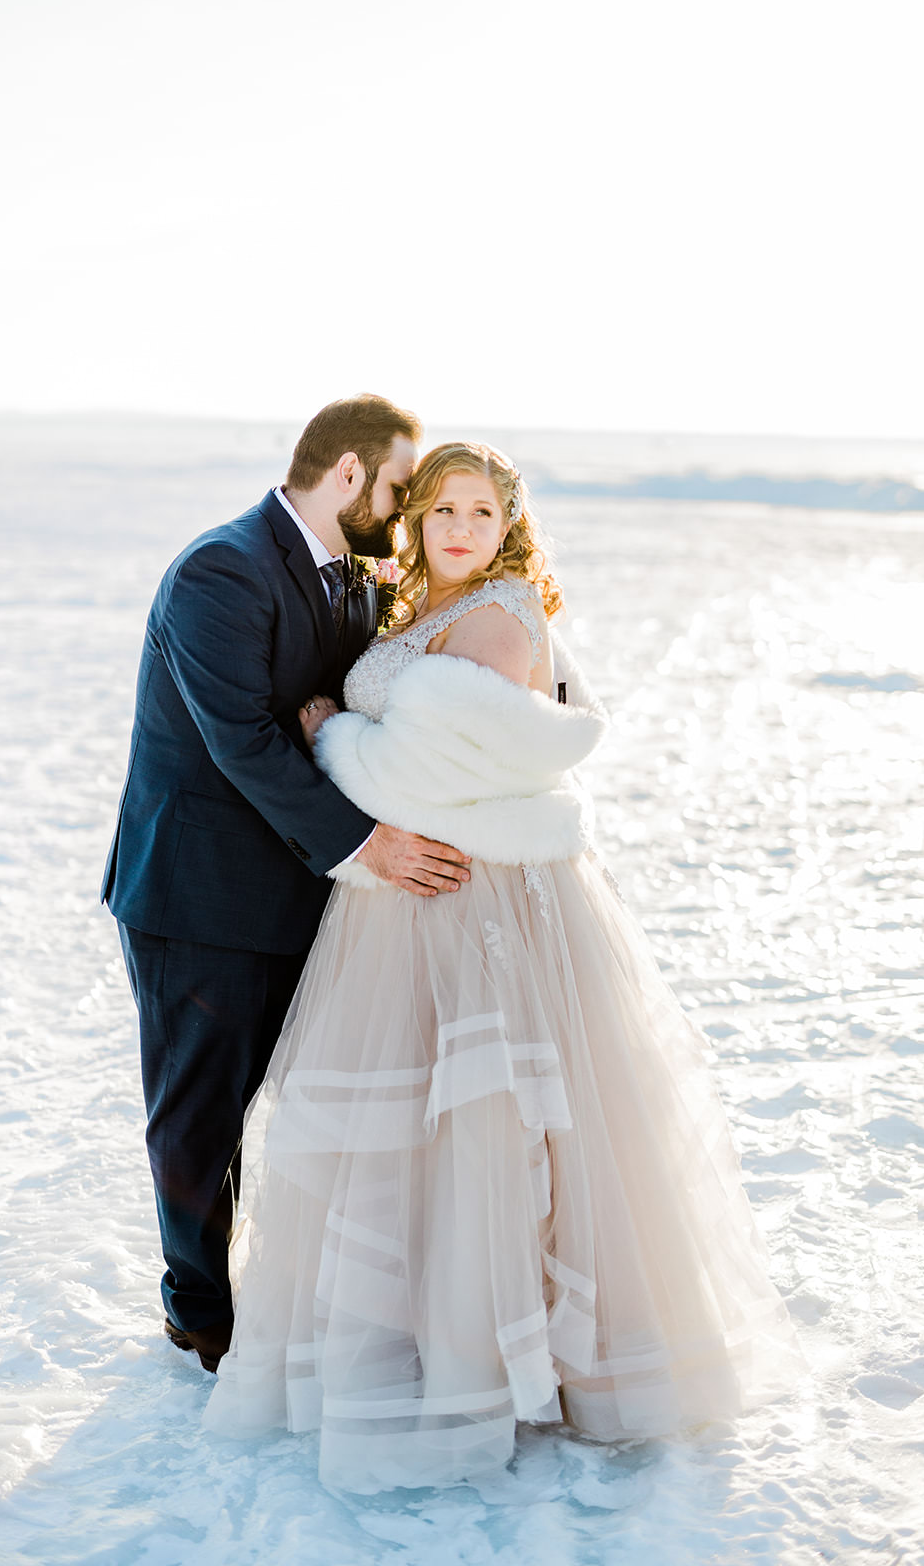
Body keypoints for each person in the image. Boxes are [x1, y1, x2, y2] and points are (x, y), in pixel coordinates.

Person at [202, 440, 801, 1492]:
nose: (461, 530)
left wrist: (335, 734)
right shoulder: (415, 610)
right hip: (409, 897)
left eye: (481, 512)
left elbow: (438, 769)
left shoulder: (499, 613)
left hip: (472, 895)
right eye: (442, 510)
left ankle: (498, 1362)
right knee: (416, 1133)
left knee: (490, 1125)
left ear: (507, 524)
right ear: (417, 520)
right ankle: (426, 1337)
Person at [101, 396, 473, 1374]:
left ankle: (287, 1286)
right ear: (347, 474)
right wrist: (370, 845)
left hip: (300, 891)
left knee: (297, 1100)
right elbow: (243, 743)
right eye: (398, 487)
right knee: (200, 1109)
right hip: (200, 895)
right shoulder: (219, 570)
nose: (403, 513)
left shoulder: (350, 575)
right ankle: (199, 1311)